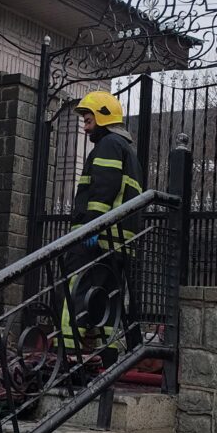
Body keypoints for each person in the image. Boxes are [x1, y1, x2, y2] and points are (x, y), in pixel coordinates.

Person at [59, 90, 145, 356]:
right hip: (118, 243)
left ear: (103, 117)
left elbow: (103, 190)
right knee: (106, 298)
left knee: (78, 292)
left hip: (96, 240)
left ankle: (67, 355)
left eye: (88, 120)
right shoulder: (128, 151)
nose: (85, 128)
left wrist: (92, 228)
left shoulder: (108, 145)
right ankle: (106, 355)